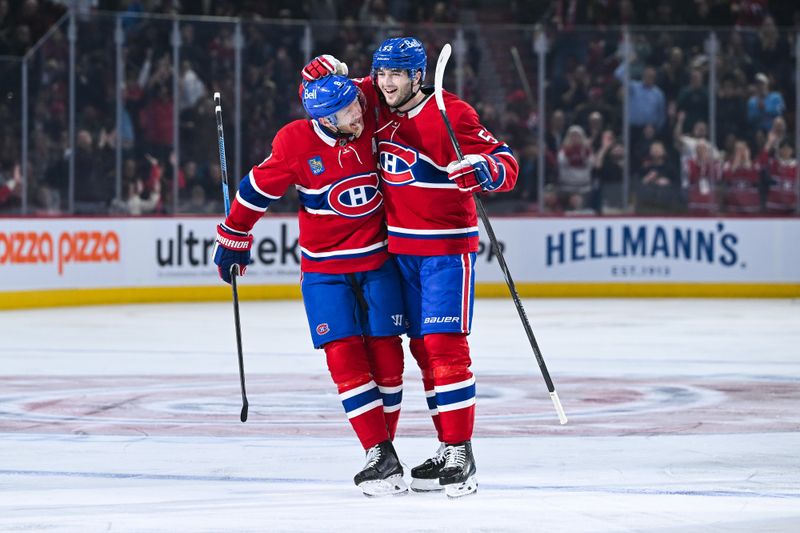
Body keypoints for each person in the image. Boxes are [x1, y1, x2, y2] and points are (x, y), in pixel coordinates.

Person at [302, 37, 519, 498]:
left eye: (395, 74)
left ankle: (461, 453)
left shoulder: (452, 112)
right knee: (422, 351)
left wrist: (482, 169)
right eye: (379, 73)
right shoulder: (374, 103)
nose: (384, 83)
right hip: (398, 253)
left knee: (444, 345)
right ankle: (445, 447)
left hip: (445, 251)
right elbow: (328, 94)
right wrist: (317, 71)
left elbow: (507, 163)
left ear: (417, 76)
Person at [212, 75, 408, 497]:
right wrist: (233, 237)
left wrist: (325, 72)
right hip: (324, 270)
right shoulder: (295, 143)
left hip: (378, 259)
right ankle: (379, 450)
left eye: (357, 102)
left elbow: (386, 81)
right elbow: (254, 191)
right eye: (348, 110)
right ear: (326, 118)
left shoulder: (369, 107)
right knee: (344, 356)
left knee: (389, 360)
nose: (359, 111)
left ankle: (383, 453)